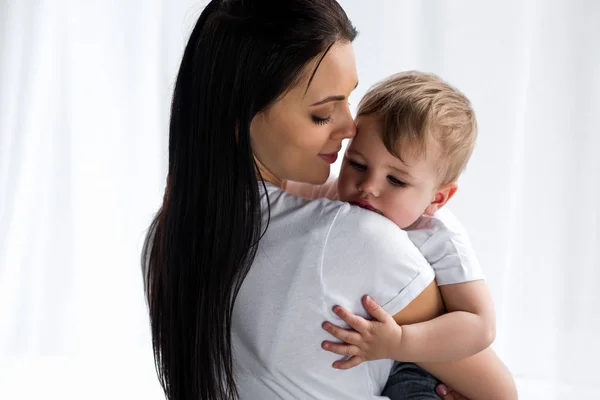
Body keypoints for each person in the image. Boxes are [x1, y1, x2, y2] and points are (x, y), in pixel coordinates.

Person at [141, 1, 517, 399]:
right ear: (240, 118)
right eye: (322, 114)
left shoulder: (167, 235)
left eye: (348, 99)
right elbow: (498, 392)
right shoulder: (358, 237)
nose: (351, 127)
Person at [288, 71, 509, 399]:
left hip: (419, 360)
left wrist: (402, 343)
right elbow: (283, 190)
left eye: (396, 181)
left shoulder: (439, 237)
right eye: (358, 164)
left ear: (437, 199)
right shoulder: (334, 194)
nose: (368, 186)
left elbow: (480, 324)